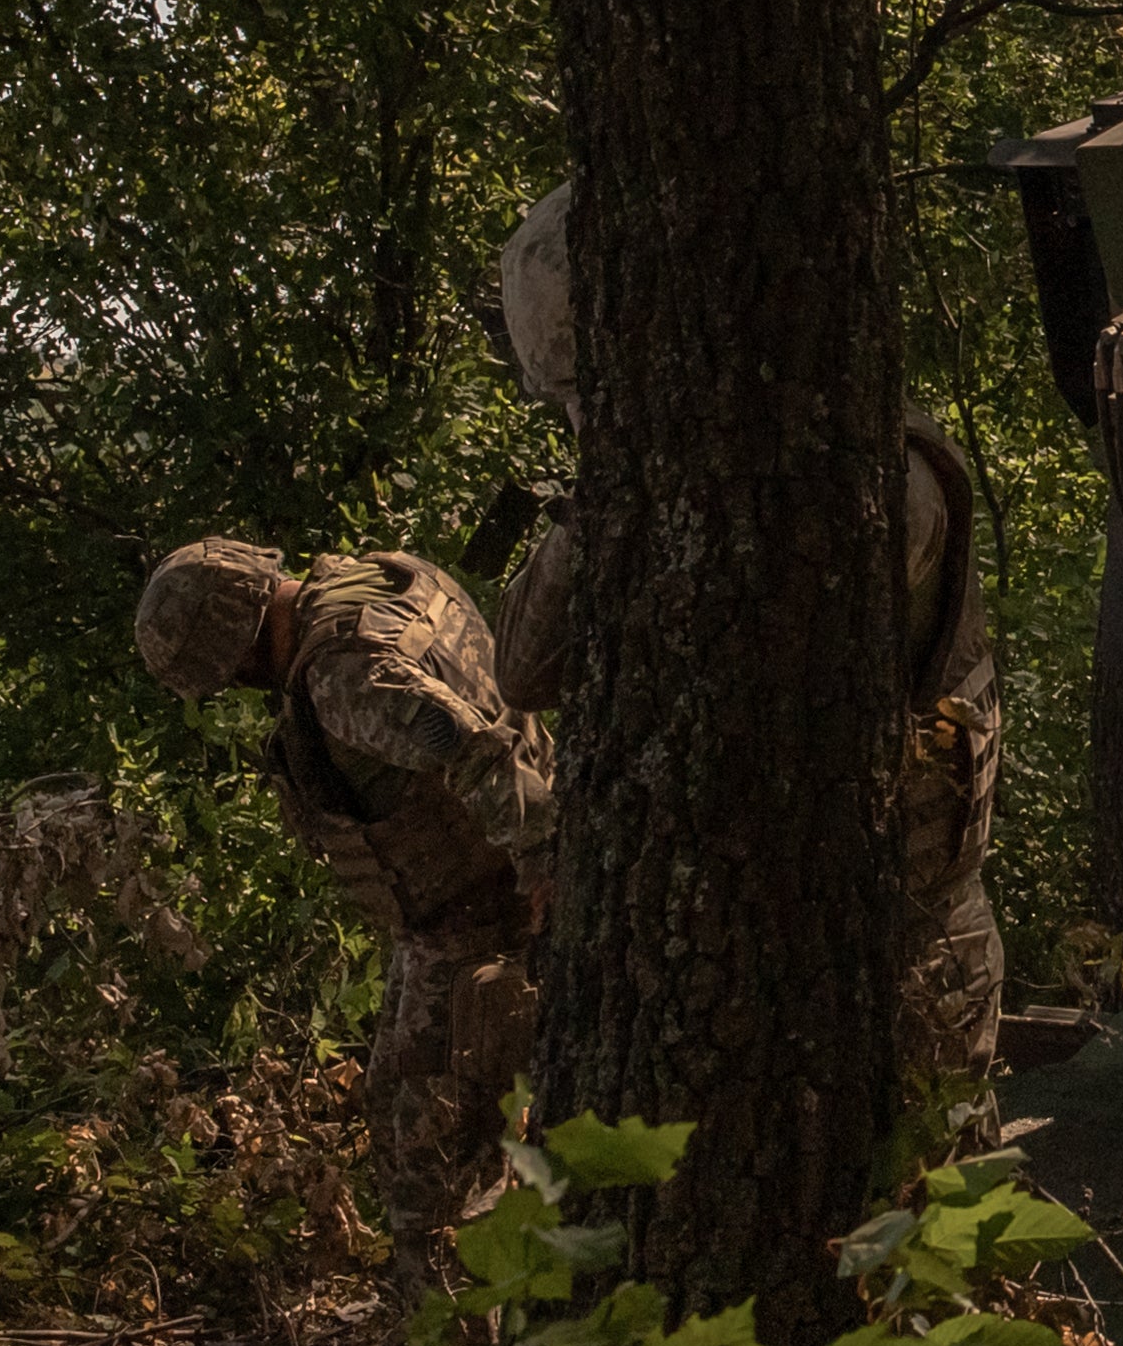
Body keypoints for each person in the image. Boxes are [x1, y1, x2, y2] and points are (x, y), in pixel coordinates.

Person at [483, 182, 1004, 1102]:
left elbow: (762, 668)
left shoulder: (871, 475)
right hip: (752, 979)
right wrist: (609, 492)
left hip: (902, 962)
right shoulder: (675, 484)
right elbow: (521, 668)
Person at [133, 538, 550, 1249]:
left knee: (433, 1164)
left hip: (482, 917)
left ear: (242, 641)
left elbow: (473, 748)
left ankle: (463, 1345)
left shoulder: (344, 675)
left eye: (231, 673)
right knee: (395, 1105)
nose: (238, 686)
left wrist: (546, 870)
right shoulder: (390, 577)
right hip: (457, 916)